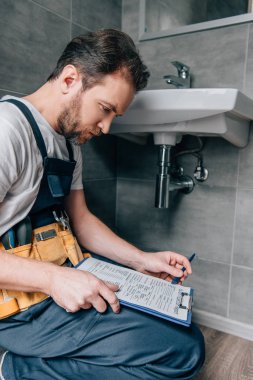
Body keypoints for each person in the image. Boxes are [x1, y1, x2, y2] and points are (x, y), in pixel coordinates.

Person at [0, 29, 204, 379]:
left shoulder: (68, 142)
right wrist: (53, 279)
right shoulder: (8, 131)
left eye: (115, 117)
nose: (106, 128)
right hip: (18, 305)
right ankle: (16, 368)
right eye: (105, 109)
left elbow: (81, 221)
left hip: (61, 276)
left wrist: (142, 259)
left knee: (183, 332)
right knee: (183, 354)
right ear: (69, 79)